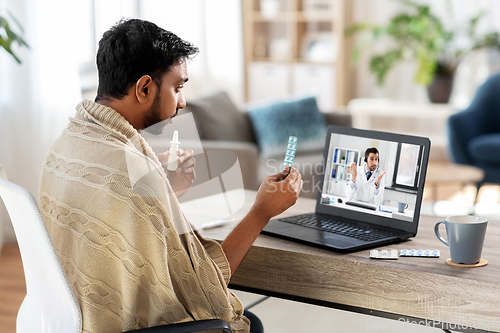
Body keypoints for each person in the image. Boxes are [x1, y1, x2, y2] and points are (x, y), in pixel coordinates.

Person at [39, 18, 302, 333]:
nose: (182, 101)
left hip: (72, 320)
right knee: (249, 325)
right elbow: (208, 286)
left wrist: (164, 192)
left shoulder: (65, 143)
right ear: (145, 88)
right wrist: (262, 211)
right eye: (177, 87)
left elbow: (120, 214)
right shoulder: (134, 170)